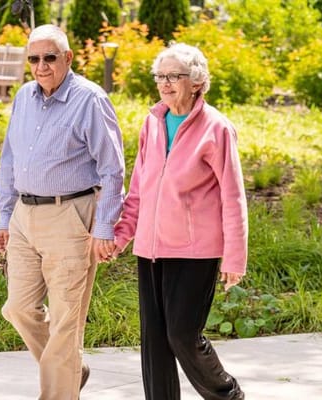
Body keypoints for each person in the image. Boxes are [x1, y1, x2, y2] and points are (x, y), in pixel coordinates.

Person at [0, 24, 125, 400]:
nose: (41, 65)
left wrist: (104, 227)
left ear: (67, 58)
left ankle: (58, 392)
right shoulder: (23, 96)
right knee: (18, 308)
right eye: (33, 58)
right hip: (24, 214)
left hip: (71, 215)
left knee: (67, 320)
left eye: (49, 57)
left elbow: (112, 168)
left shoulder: (90, 99)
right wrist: (5, 216)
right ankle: (72, 368)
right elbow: (9, 160)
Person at [111, 43, 248, 400]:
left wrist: (234, 257)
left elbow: (232, 198)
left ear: (197, 81)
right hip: (151, 249)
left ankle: (226, 394)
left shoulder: (216, 128)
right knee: (154, 341)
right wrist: (122, 235)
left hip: (195, 251)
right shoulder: (152, 122)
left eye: (174, 76)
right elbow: (139, 187)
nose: (165, 83)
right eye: (160, 76)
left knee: (183, 336)